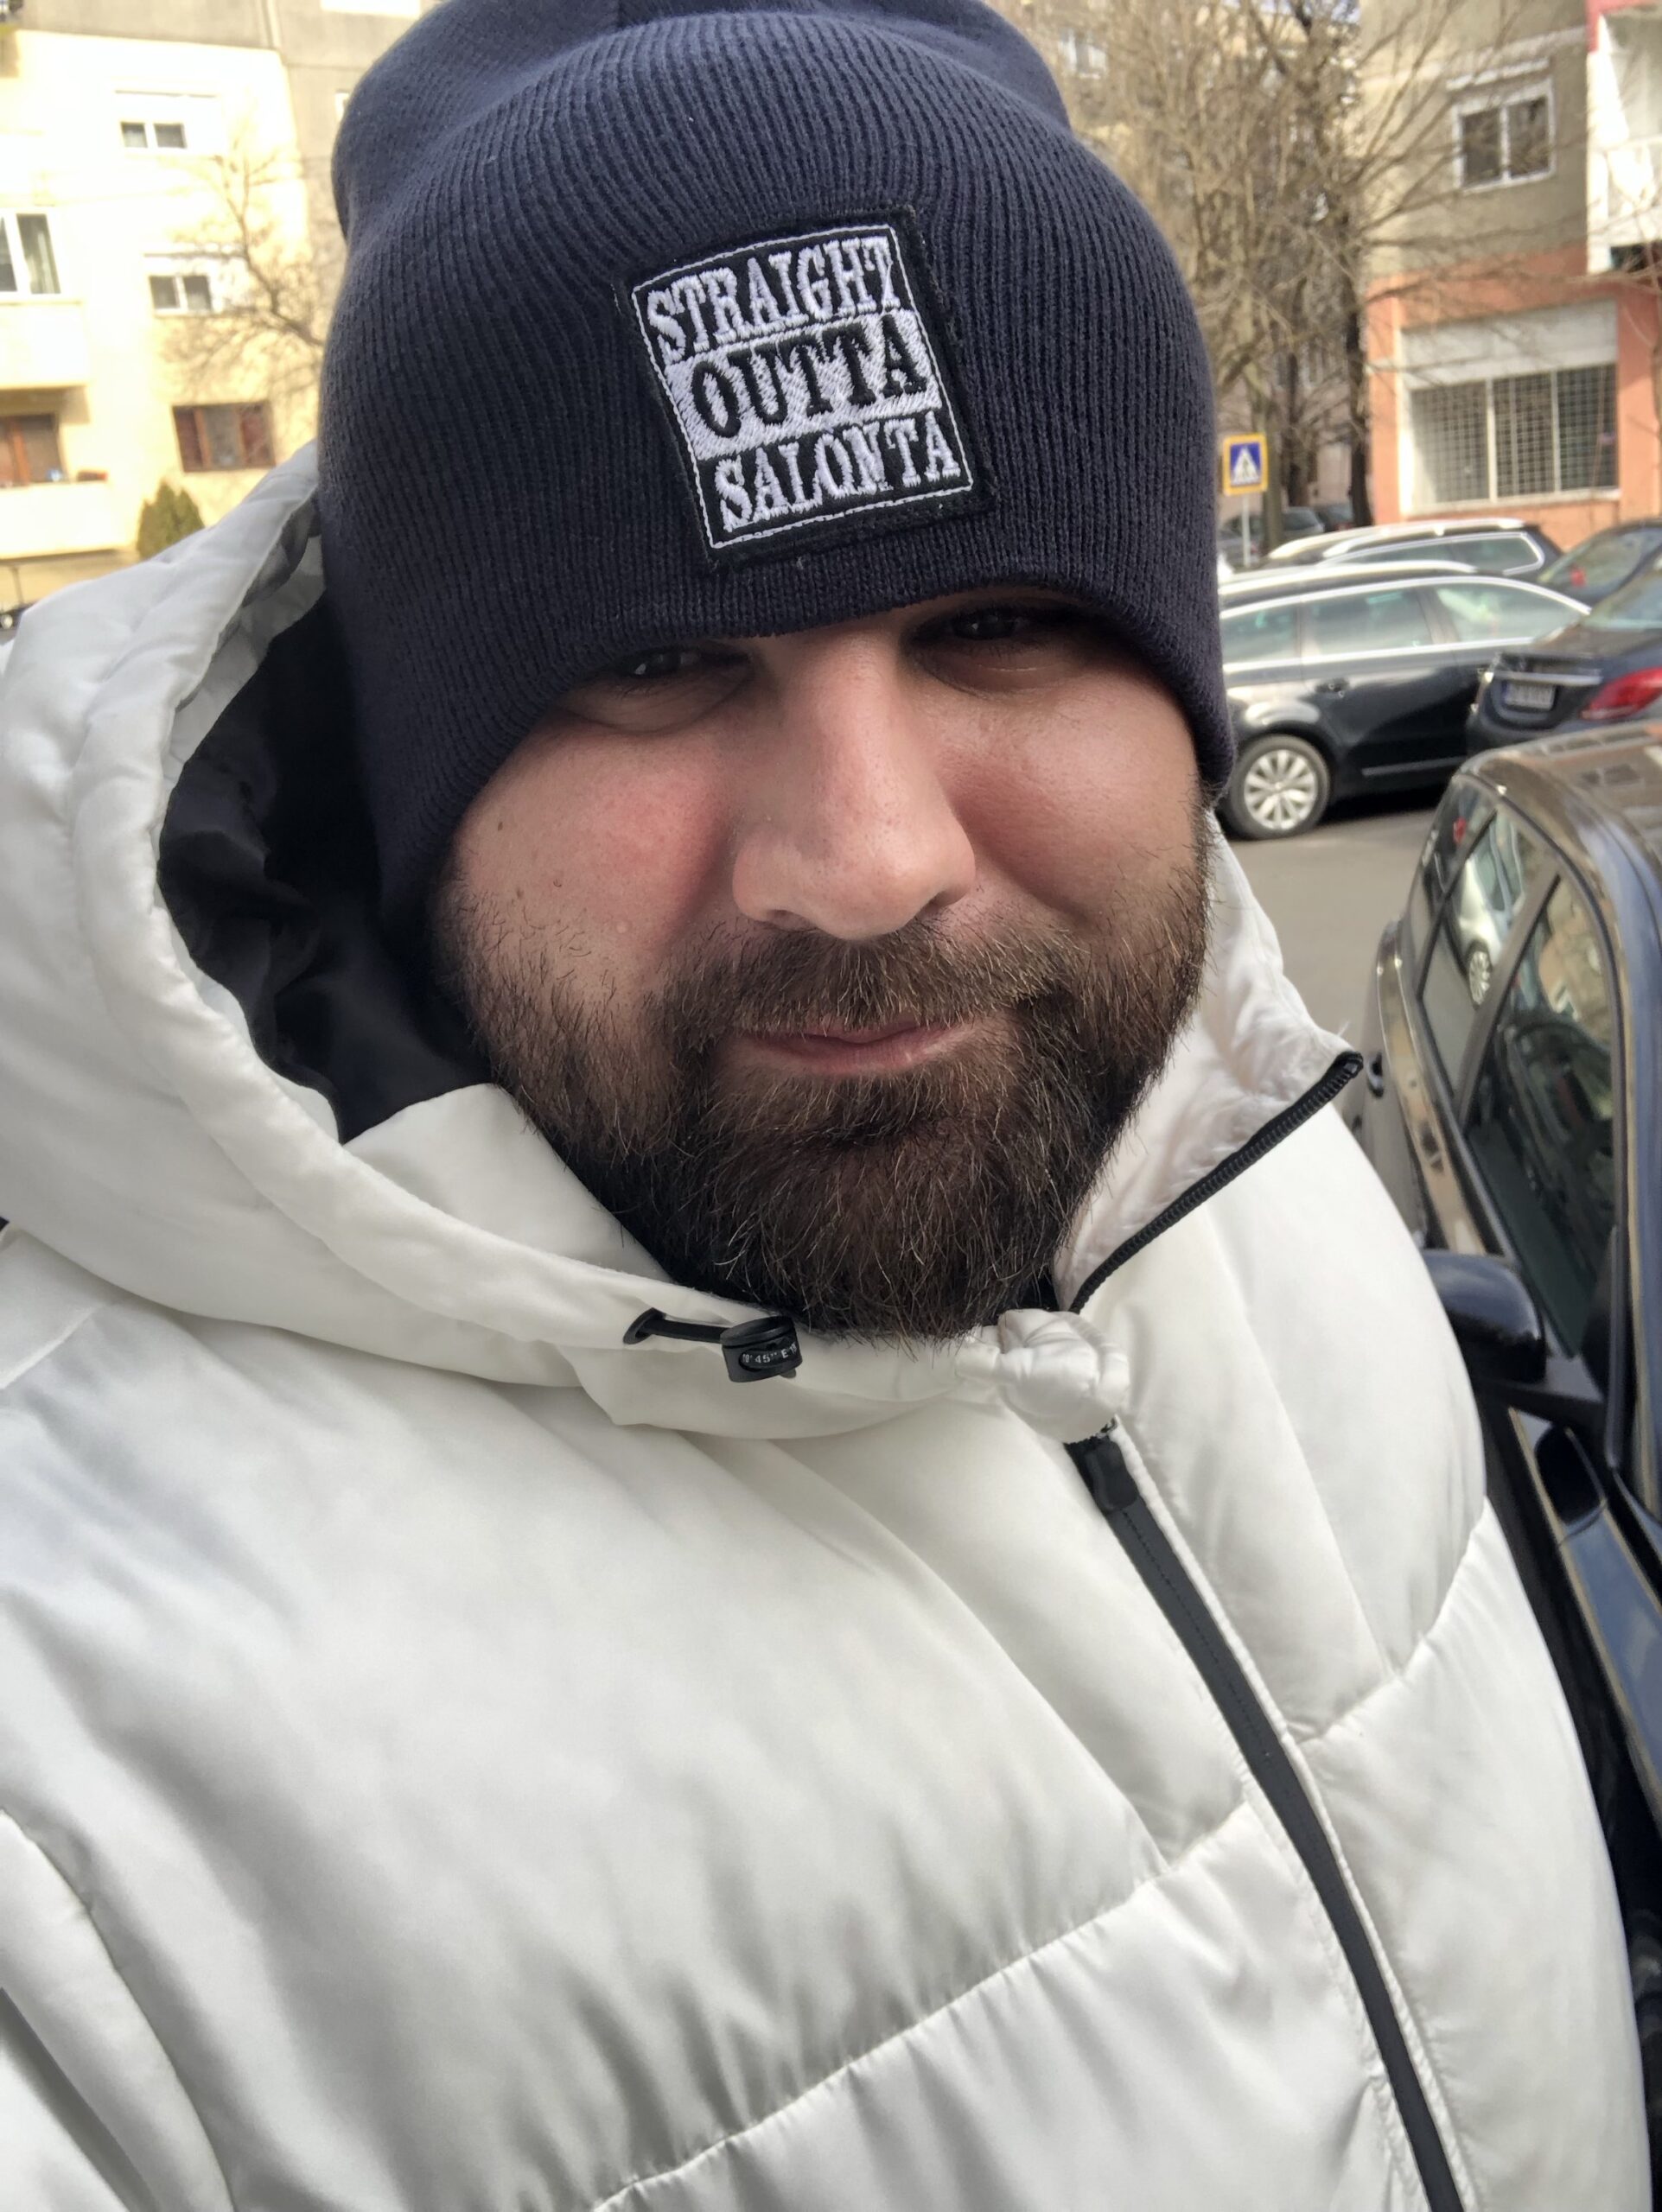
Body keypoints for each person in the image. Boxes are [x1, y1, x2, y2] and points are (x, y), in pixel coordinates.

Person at [0, 0, 1645, 2204]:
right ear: (406, 784)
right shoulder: (68, 1770)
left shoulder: (1257, 1163)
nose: (864, 861)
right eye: (652, 663)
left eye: (996, 623)